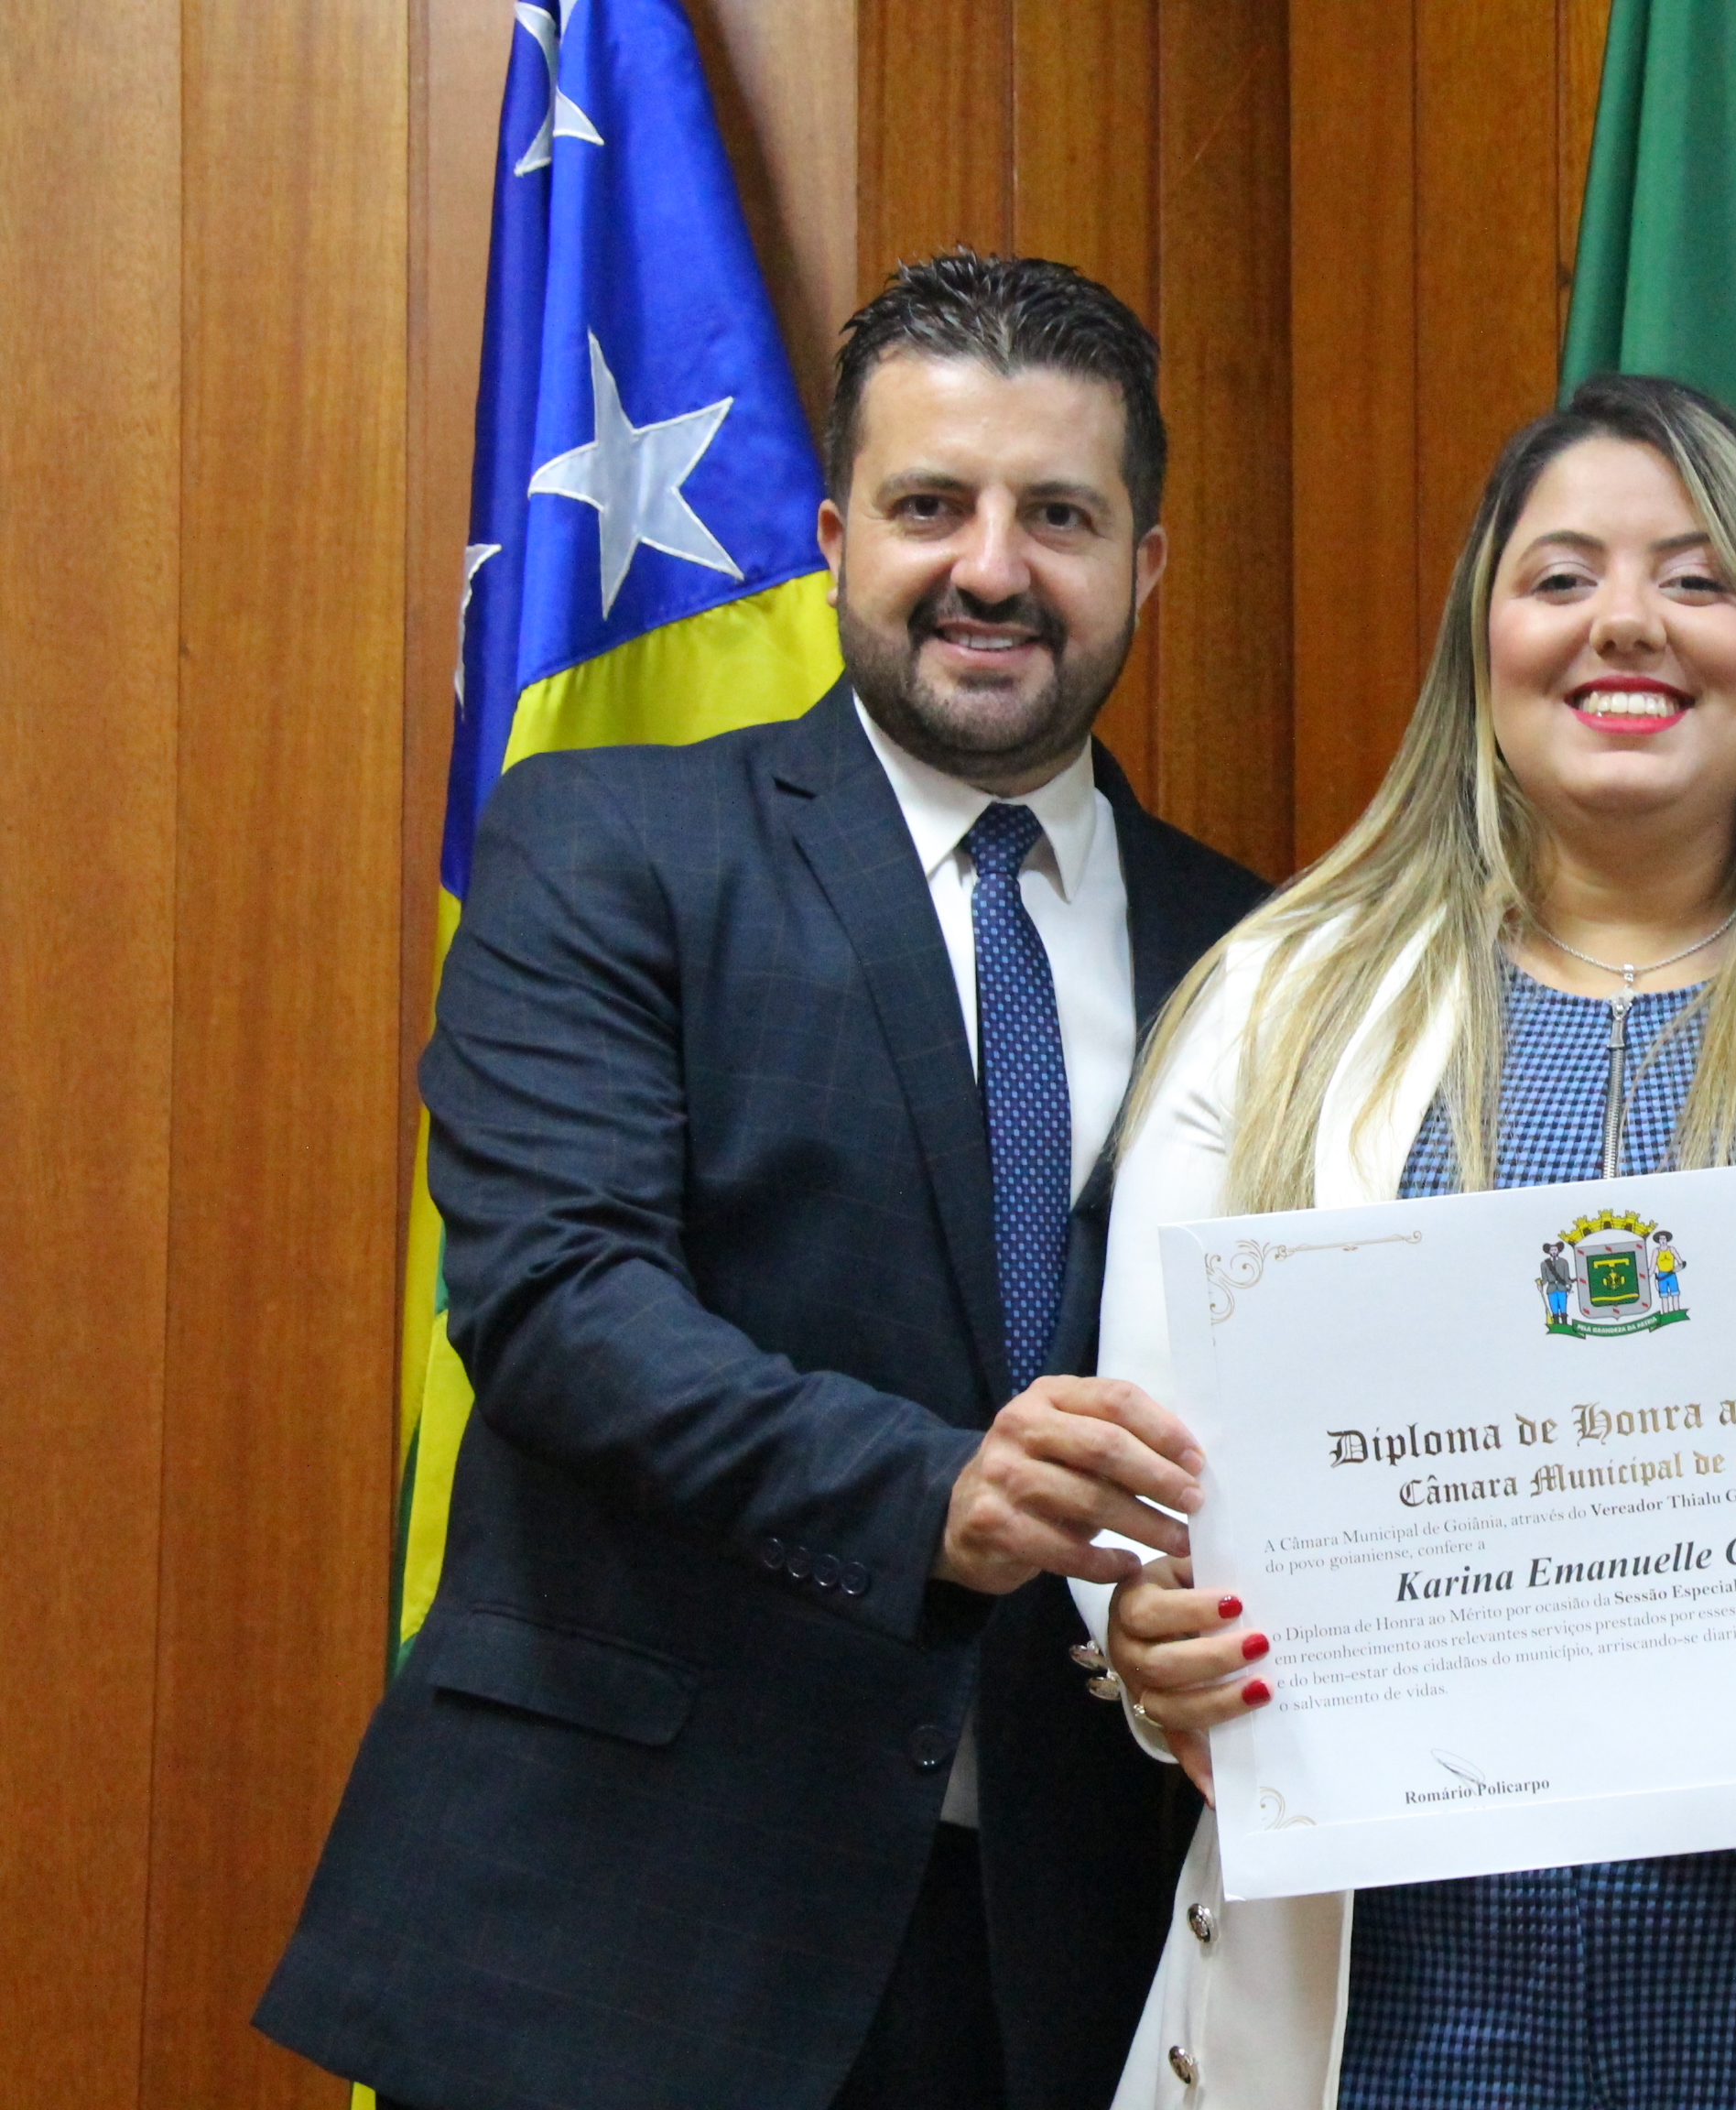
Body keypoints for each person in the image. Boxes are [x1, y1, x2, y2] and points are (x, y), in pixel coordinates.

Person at [255, 254, 1265, 2110]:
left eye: (1058, 516)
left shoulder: (1265, 952)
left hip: (1077, 1954)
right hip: (635, 1931)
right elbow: (557, 1304)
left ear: (1147, 565)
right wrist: (933, 1494)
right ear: (832, 540)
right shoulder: (612, 848)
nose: (990, 569)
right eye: (930, 506)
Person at [1088, 374, 1736, 2108]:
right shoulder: (1273, 1010)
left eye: (1698, 577)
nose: (1627, 624)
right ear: (1482, 643)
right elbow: (1145, 1492)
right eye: (1562, 576)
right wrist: (1151, 1643)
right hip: (1399, 2000)